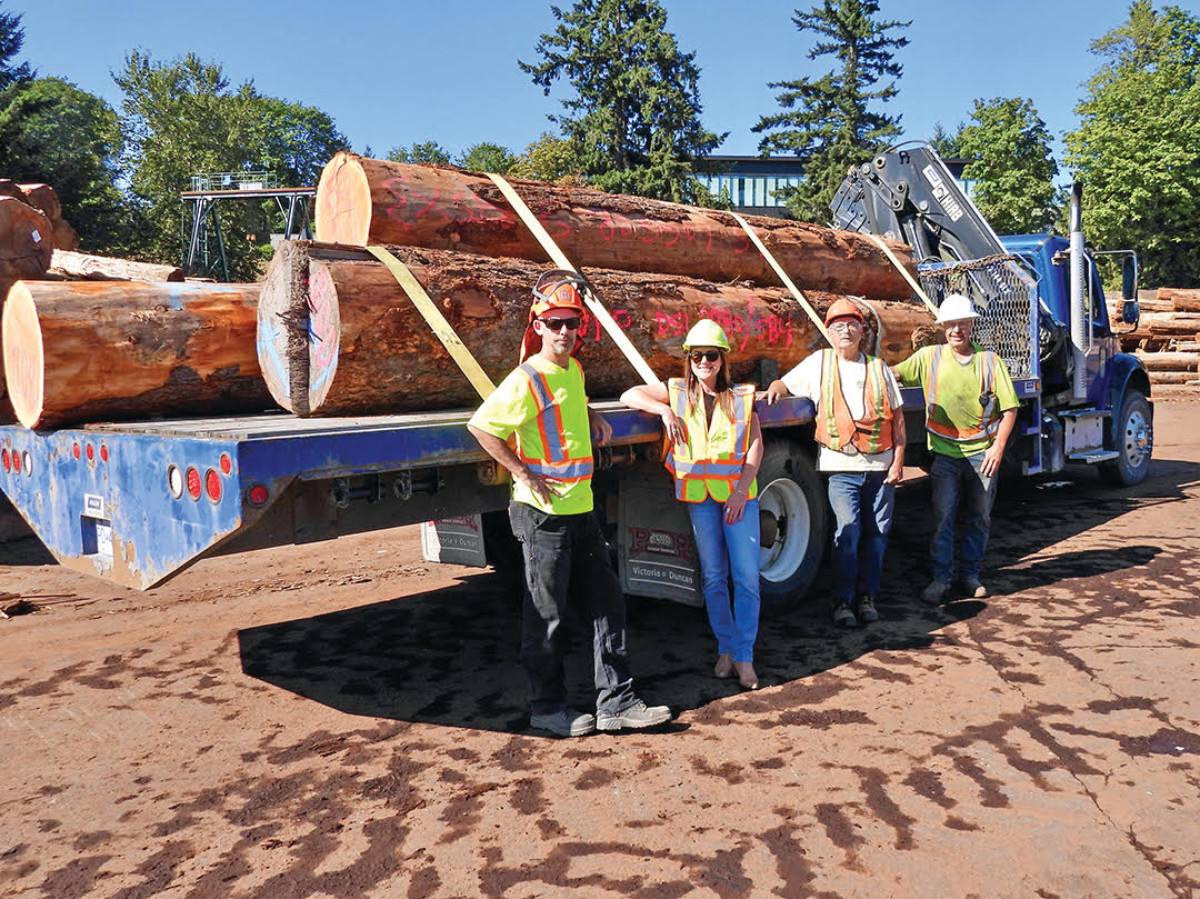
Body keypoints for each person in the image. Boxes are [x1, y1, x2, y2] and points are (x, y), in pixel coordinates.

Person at [467, 270, 671, 737]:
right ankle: (547, 707)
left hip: (581, 509)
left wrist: (590, 413)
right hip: (543, 518)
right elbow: (483, 427)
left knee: (607, 605)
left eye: (572, 324)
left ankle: (616, 703)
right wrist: (520, 471)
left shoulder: (572, 370)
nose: (564, 332)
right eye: (555, 323)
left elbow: (566, 403)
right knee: (547, 616)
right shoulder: (527, 378)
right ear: (537, 325)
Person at [621, 320, 764, 690]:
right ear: (689, 359)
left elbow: (755, 446)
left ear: (722, 360)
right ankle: (726, 648)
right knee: (714, 578)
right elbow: (629, 395)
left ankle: (745, 657)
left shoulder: (741, 397)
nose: (704, 362)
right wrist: (663, 411)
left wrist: (739, 491)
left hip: (738, 499)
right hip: (700, 500)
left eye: (711, 355)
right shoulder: (678, 392)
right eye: (697, 355)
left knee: (746, 579)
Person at [765, 299, 905, 628]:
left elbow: (898, 420)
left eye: (852, 324)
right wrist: (774, 386)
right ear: (828, 333)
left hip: (881, 469)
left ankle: (867, 597)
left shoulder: (878, 367)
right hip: (842, 470)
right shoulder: (819, 363)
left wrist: (898, 462)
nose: (845, 330)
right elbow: (785, 383)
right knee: (848, 531)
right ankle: (843, 602)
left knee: (877, 535)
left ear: (862, 332)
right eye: (838, 325)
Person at [893, 293, 1019, 603]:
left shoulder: (990, 362)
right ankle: (941, 579)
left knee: (979, 517)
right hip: (945, 455)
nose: (956, 331)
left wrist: (997, 448)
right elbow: (894, 372)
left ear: (971, 326)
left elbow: (1010, 409)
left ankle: (971, 575)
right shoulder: (929, 358)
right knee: (943, 518)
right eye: (951, 325)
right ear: (943, 328)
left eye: (962, 324)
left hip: (982, 456)